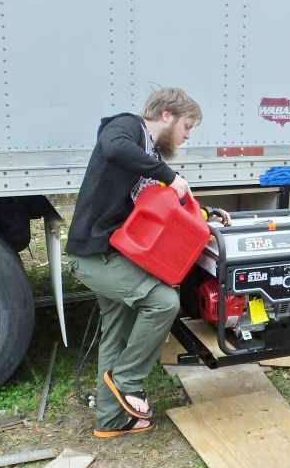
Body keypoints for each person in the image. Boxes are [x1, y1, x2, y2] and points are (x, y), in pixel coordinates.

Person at [67, 87, 228, 438]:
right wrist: (169, 175)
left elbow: (159, 207)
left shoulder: (147, 154)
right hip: (94, 256)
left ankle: (111, 421)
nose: (188, 135)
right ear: (167, 115)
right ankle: (127, 382)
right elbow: (114, 147)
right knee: (163, 301)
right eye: (187, 125)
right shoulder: (126, 128)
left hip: (112, 254)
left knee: (117, 332)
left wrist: (206, 214)